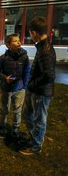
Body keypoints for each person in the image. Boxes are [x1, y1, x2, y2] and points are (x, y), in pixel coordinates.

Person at [19, 17, 56, 155]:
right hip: (35, 90)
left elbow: (49, 75)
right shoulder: (43, 47)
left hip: (40, 92)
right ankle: (34, 138)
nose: (30, 35)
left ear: (34, 32)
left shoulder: (45, 50)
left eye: (30, 32)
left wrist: (32, 84)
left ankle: (35, 146)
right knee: (27, 115)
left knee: (39, 119)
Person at [0, 33, 30, 138]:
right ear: (8, 45)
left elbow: (27, 72)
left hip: (20, 88)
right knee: (4, 109)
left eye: (19, 40)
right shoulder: (3, 58)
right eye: (15, 41)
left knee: (17, 110)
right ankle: (2, 128)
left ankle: (15, 129)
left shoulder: (24, 57)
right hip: (6, 89)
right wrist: (5, 78)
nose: (19, 42)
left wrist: (25, 87)